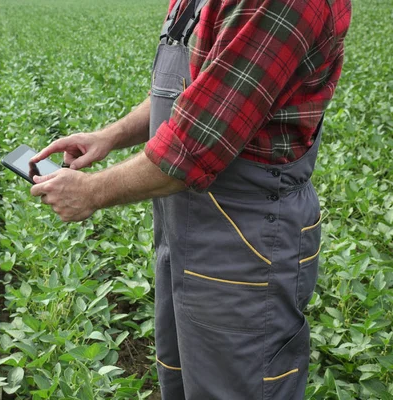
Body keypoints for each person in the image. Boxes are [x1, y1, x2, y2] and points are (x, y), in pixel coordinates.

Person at [30, 0, 352, 397]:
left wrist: (93, 192)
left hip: (247, 244)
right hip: (185, 229)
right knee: (184, 380)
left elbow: (197, 143)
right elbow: (200, 88)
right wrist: (110, 135)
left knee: (238, 386)